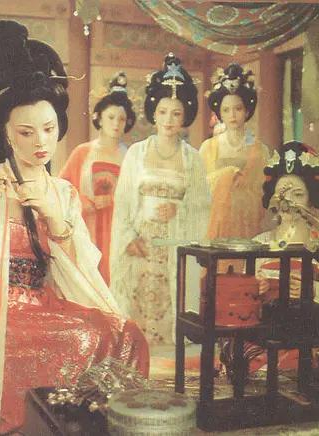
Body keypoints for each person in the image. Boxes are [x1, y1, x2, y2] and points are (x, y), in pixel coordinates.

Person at [0, 20, 149, 435]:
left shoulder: (63, 192)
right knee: (72, 339)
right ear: (5, 133)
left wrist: (56, 221)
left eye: (49, 129)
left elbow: (82, 271)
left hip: (46, 303)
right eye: (26, 131)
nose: (40, 141)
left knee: (125, 334)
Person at [110, 54, 210, 348]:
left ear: (185, 116)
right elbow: (123, 204)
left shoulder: (193, 159)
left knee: (172, 324)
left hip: (175, 248)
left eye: (176, 113)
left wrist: (178, 209)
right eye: (163, 112)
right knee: (135, 325)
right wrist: (128, 239)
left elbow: (202, 206)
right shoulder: (136, 153)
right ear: (153, 113)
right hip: (140, 246)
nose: (168, 120)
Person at [221, 141, 319, 376]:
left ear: (311, 198)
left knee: (308, 356)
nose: (289, 202)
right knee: (239, 348)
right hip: (264, 332)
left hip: (308, 330)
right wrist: (255, 291)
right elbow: (243, 304)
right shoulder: (260, 242)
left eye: (298, 194)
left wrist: (311, 292)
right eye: (282, 194)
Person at [59, 72, 136, 284]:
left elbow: (137, 196)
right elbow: (63, 187)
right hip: (87, 225)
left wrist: (112, 200)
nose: (116, 123)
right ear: (99, 118)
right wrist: (83, 201)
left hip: (117, 229)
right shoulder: (82, 152)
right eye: (111, 117)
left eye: (121, 119)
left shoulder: (130, 156)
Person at [200, 63, 269, 243]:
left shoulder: (260, 151)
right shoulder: (208, 147)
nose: (232, 115)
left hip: (248, 226)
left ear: (247, 110)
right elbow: (198, 189)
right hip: (215, 226)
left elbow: (265, 194)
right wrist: (227, 174)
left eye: (238, 109)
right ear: (220, 113)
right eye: (226, 110)